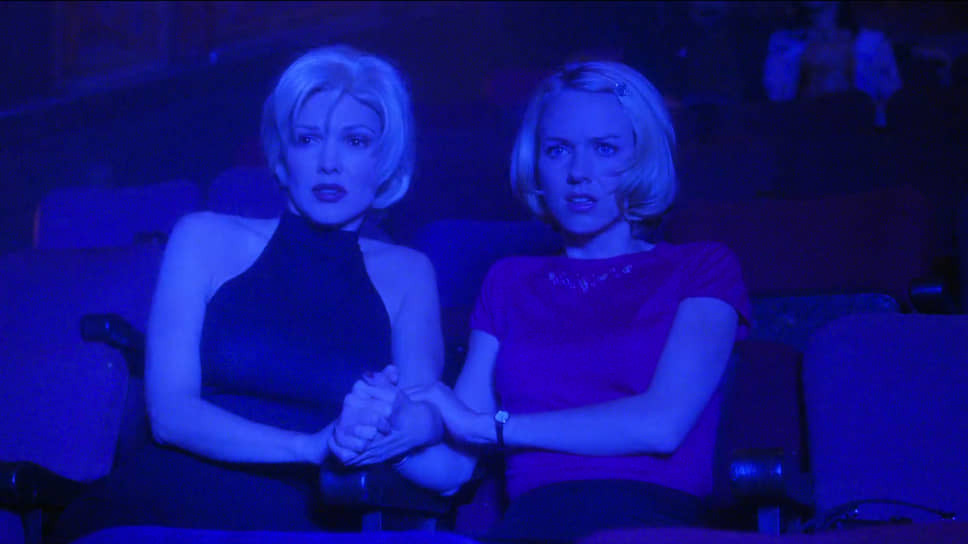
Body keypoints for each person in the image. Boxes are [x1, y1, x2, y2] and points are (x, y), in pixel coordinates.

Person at [332, 59, 752, 542]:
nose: (578, 173)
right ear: (536, 164)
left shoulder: (701, 267)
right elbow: (453, 469)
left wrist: (493, 427)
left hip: (650, 522)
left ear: (642, 158)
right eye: (557, 150)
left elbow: (662, 424)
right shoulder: (509, 280)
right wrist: (387, 431)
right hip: (531, 526)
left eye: (604, 148)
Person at [51, 44, 444, 541]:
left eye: (355, 140)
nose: (328, 163)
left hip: (311, 515)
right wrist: (308, 447)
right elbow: (170, 415)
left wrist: (410, 424)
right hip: (168, 499)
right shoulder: (203, 237)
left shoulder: (410, 274)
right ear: (282, 159)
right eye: (307, 139)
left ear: (385, 162)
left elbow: (423, 439)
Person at [764, 1, 902, 127]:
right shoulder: (782, 43)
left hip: (860, 133)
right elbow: (777, 100)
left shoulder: (874, 43)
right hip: (804, 133)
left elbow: (890, 101)